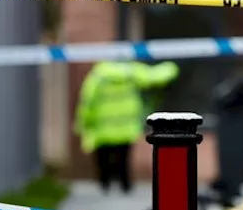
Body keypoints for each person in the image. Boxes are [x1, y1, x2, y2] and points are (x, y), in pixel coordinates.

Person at [75, 60, 180, 194]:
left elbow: (87, 102)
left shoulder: (98, 77)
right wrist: (172, 68)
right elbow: (154, 76)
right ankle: (125, 185)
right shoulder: (130, 73)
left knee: (103, 159)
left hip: (103, 128)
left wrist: (83, 123)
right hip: (125, 127)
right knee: (123, 159)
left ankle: (104, 185)